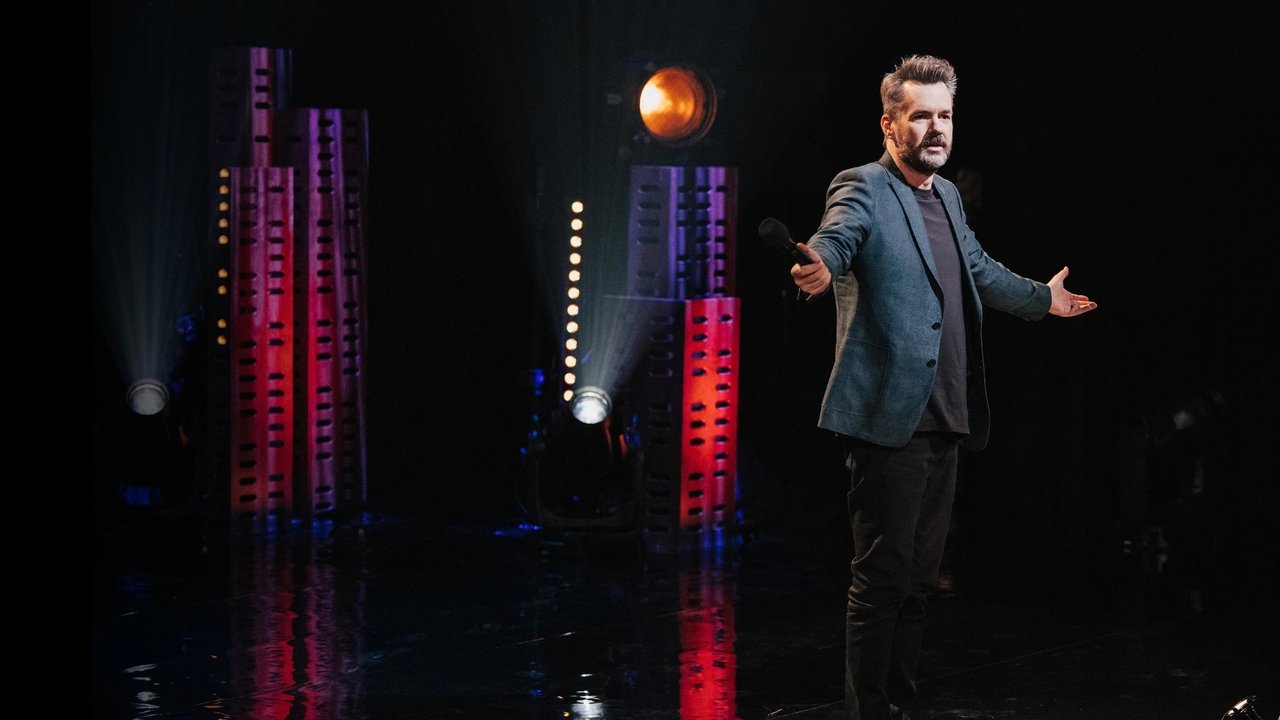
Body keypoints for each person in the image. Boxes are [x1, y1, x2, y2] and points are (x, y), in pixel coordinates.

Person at [789, 54, 1097, 720]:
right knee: (881, 580)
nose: (936, 128)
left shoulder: (948, 195)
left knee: (919, 582)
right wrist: (821, 265)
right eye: (921, 116)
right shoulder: (864, 185)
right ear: (889, 123)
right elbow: (837, 238)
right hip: (887, 418)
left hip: (946, 414)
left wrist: (1042, 299)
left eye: (945, 116)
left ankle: (898, 706)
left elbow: (977, 268)